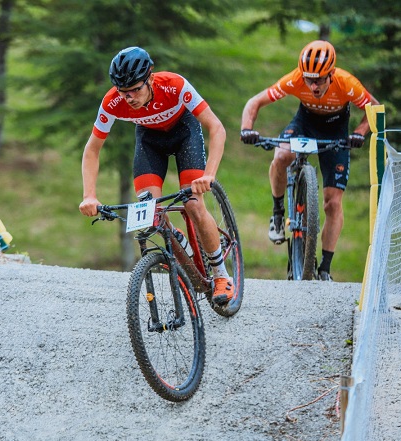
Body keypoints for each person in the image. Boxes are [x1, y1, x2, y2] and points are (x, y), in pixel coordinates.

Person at [78, 46, 234, 304]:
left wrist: (209, 175)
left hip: (184, 133)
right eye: (123, 91)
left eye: (135, 89)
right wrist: (89, 195)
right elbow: (92, 150)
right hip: (150, 141)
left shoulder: (175, 85)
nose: (129, 97)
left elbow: (216, 127)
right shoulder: (112, 102)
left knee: (193, 204)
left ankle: (221, 275)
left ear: (150, 77)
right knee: (150, 215)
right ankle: (178, 239)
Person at [240, 40, 380, 281]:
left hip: (336, 131)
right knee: (282, 155)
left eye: (320, 80)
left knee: (332, 203)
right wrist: (246, 128)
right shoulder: (295, 79)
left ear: (331, 74)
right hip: (304, 124)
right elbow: (255, 102)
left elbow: (374, 108)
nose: (313, 86)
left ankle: (325, 268)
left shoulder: (347, 83)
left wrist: (359, 132)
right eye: (309, 80)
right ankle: (277, 213)